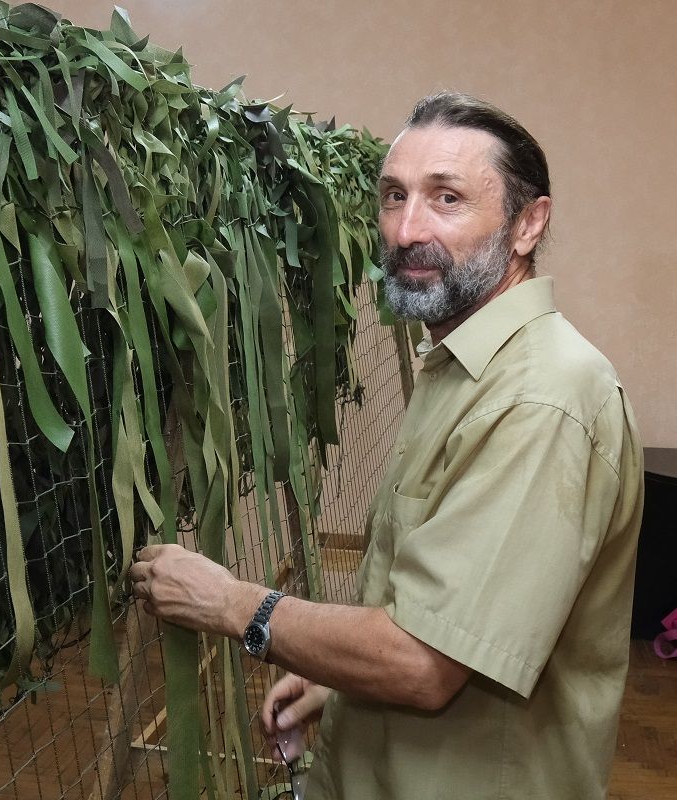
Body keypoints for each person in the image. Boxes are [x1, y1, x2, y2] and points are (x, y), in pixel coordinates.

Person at [127, 91, 644, 799]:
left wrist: (232, 603)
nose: (405, 230)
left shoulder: (542, 399)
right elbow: (435, 614)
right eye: (394, 196)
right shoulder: (462, 362)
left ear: (528, 224)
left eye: (447, 198)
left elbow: (423, 664)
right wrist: (340, 686)